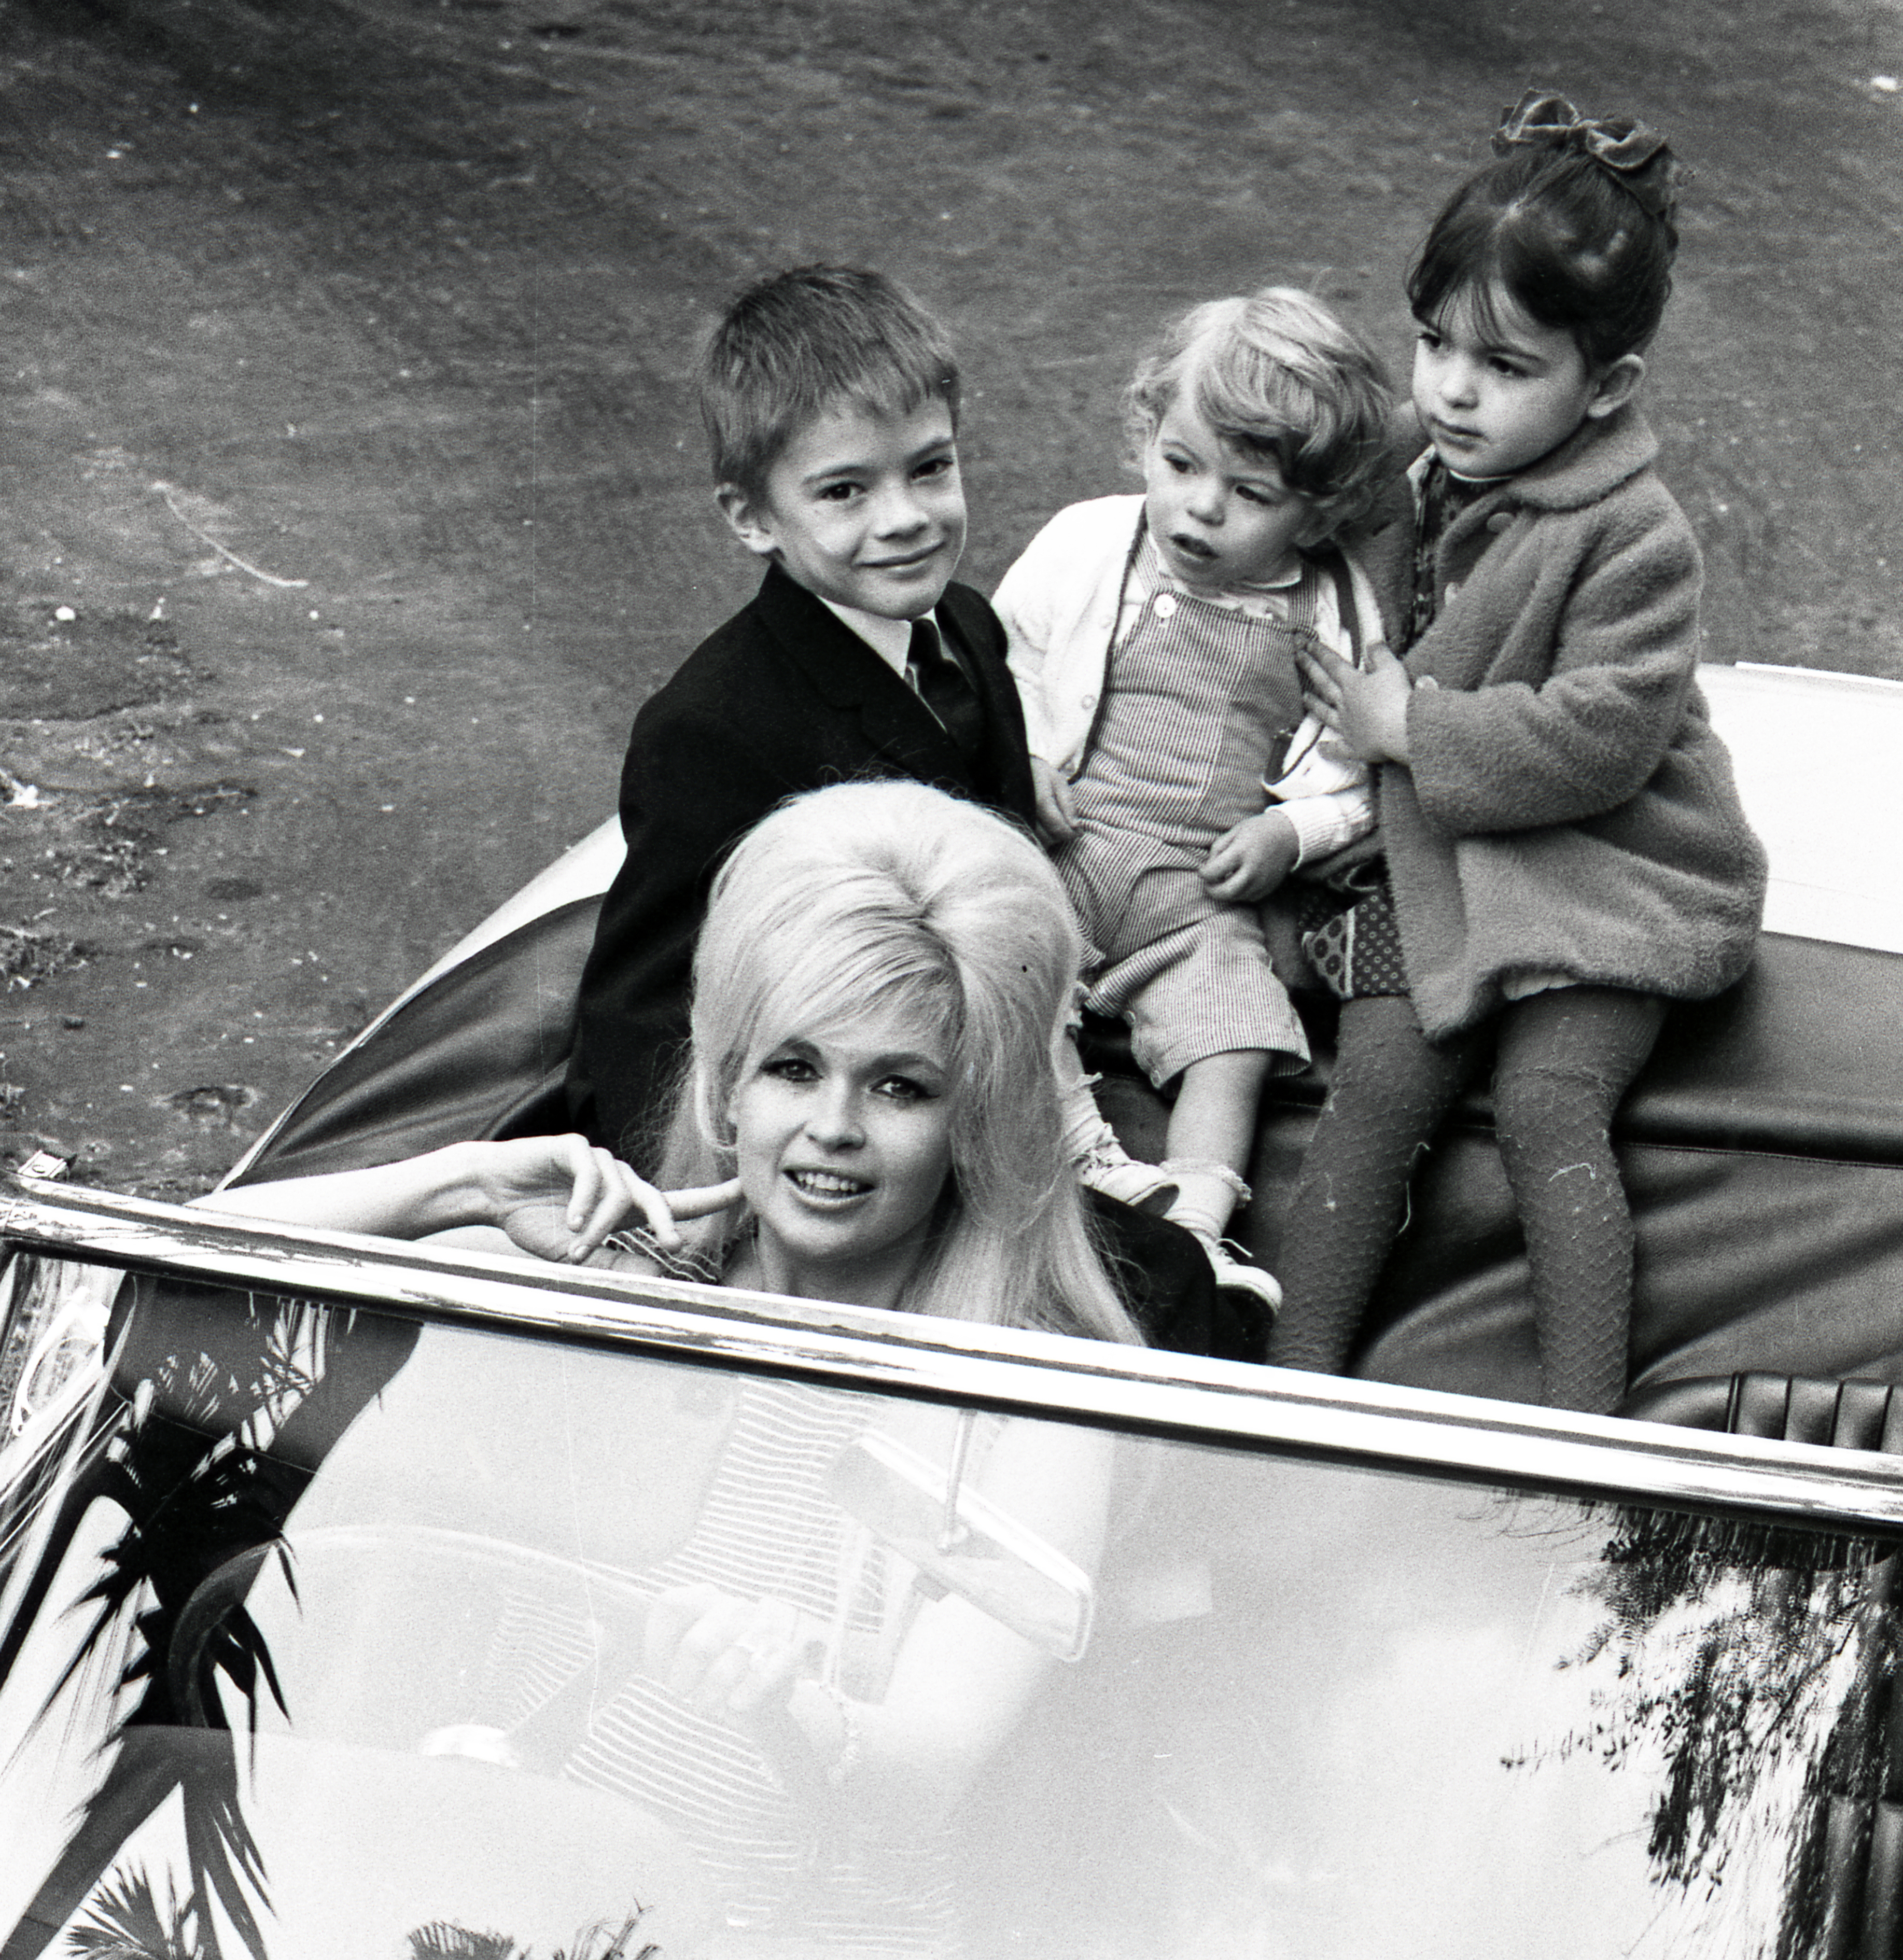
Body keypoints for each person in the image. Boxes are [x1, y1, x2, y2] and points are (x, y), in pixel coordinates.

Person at [204, 780, 1138, 1953]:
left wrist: (782, 1696)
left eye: (899, 1086)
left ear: (977, 1119)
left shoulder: (1033, 1398)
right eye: (794, 1069)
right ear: (724, 1081)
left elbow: (920, 1770)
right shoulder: (620, 1285)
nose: (832, 1128)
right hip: (491, 1896)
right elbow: (167, 1275)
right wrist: (449, 1185)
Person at [557, 260, 1240, 1353]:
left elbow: (1007, 847)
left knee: (1175, 1283)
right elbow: (639, 1009)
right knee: (1139, 1298)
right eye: (844, 492)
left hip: (980, 1073)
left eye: (930, 469)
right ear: (749, 517)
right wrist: (708, 1210)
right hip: (842, 1132)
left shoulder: (964, 628)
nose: (906, 520)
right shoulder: (714, 726)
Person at [1270, 92, 1768, 1412]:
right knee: (1372, 1094)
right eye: (1434, 341)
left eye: (1501, 365)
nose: (1448, 387)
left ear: (1604, 388)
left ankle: (1581, 1432)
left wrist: (1407, 729)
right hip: (1444, 863)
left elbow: (1604, 736)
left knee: (1553, 1108)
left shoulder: (1635, 533)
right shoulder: (1415, 469)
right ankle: (1287, 1397)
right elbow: (1299, 516)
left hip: (1608, 871)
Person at [994, 287, 1393, 1308]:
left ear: (1318, 508)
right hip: (1065, 852)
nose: (1198, 509)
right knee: (996, 956)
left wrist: (1290, 830)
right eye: (1179, 466)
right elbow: (1003, 657)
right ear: (1146, 437)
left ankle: (1199, 1216)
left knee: (1236, 1030)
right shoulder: (1090, 545)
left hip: (1195, 897)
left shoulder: (1330, 606)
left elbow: (1359, 768)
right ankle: (1083, 1153)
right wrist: (1026, 752)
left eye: (1248, 494)